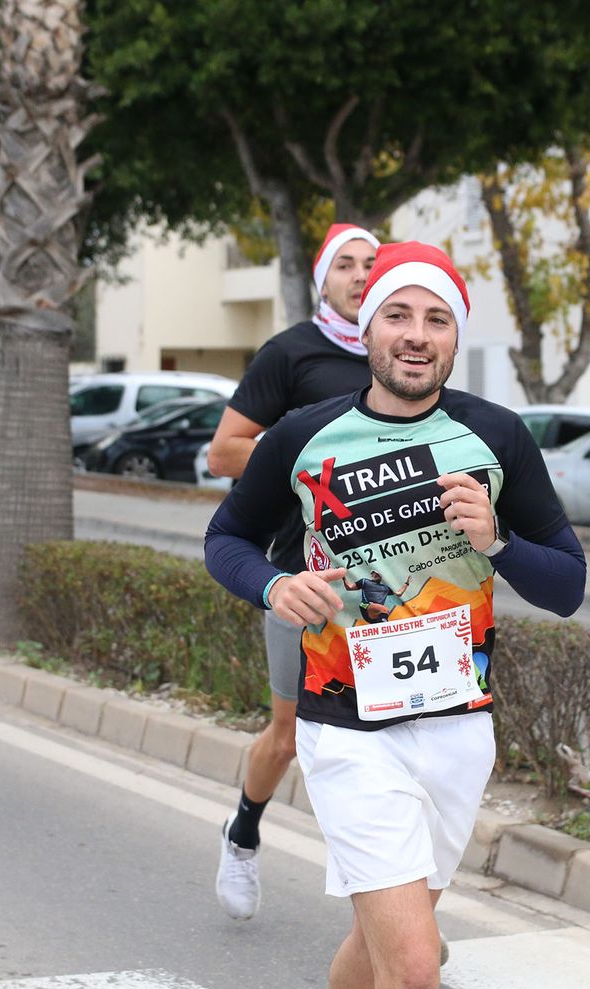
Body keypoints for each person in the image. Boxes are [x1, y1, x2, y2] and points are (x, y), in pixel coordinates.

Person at [204, 242, 586, 989]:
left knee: (384, 941)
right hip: (346, 727)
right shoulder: (305, 437)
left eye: (437, 319)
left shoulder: (496, 437)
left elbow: (568, 584)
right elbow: (227, 538)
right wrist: (273, 588)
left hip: (458, 730)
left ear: (455, 340)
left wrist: (501, 541)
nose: (417, 335)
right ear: (366, 328)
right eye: (399, 315)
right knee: (416, 969)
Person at [207, 222, 380, 920]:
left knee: (387, 739)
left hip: (388, 580)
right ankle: (242, 834)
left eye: (373, 263)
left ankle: (395, 908)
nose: (363, 275)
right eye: (347, 264)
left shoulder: (398, 353)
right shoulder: (291, 354)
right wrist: (311, 457)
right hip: (300, 574)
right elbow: (224, 454)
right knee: (291, 737)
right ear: (323, 281)